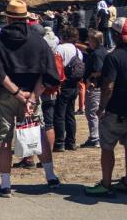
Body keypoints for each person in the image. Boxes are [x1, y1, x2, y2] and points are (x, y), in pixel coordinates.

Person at [0, 0, 60, 197]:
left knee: (4, 139)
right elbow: (48, 72)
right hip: (33, 96)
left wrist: (17, 93)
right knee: (39, 134)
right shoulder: (38, 41)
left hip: (5, 96)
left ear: (8, 18)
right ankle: (51, 177)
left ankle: (6, 184)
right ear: (26, 18)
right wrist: (32, 97)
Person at [86, 17, 127, 196]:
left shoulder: (114, 57)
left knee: (108, 147)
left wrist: (102, 107)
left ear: (115, 35)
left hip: (115, 110)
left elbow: (108, 86)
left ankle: (106, 183)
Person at [54, 26, 83, 151]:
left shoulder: (60, 48)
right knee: (70, 114)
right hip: (74, 85)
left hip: (63, 85)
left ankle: (59, 142)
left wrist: (56, 84)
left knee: (59, 114)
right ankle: (71, 142)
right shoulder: (78, 51)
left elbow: (57, 68)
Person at [81, 29, 107, 148]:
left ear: (94, 41)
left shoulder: (96, 54)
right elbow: (87, 49)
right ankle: (98, 136)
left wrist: (91, 78)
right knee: (97, 112)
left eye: (90, 39)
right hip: (101, 87)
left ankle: (94, 138)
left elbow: (99, 70)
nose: (88, 41)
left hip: (95, 86)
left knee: (92, 112)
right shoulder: (102, 51)